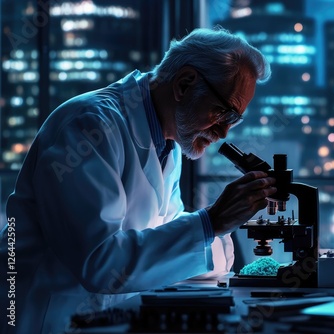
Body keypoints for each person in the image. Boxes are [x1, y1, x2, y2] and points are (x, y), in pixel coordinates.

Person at [0, 26, 275, 333]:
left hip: (108, 319)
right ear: (184, 84)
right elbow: (100, 263)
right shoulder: (89, 127)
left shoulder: (167, 141)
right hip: (41, 318)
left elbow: (160, 238)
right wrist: (210, 223)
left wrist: (218, 231)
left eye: (233, 120)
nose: (224, 132)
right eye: (222, 112)